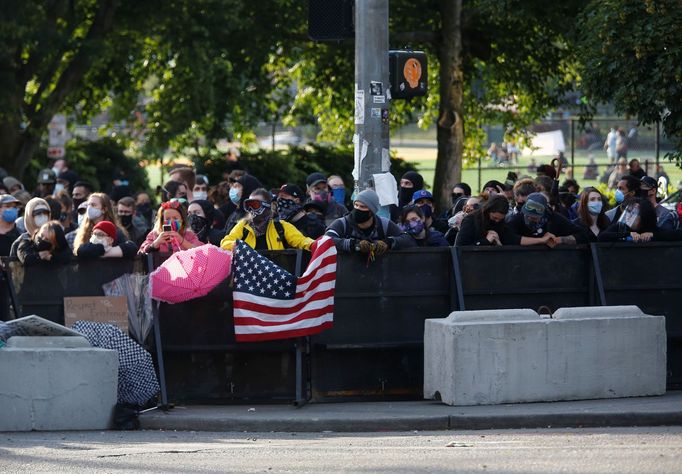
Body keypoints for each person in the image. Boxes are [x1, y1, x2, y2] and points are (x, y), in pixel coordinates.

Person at [220, 188, 313, 251]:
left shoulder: (281, 226)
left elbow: (301, 241)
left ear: (267, 206)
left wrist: (317, 244)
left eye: (255, 205)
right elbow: (225, 243)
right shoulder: (243, 225)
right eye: (248, 205)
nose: (251, 209)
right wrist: (238, 246)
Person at [325, 189, 414, 254]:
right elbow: (326, 240)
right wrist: (353, 245)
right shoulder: (342, 224)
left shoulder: (384, 224)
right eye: (356, 205)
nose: (358, 209)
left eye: (363, 207)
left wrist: (388, 242)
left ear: (372, 211)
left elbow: (407, 239)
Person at [507, 193, 587, 247]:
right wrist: (542, 240)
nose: (531, 218)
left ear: (545, 211)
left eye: (535, 216)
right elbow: (510, 238)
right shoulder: (516, 219)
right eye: (528, 215)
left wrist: (559, 240)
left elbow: (582, 235)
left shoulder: (555, 218)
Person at [73, 193, 137, 259]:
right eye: (88, 205)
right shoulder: (83, 231)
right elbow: (80, 251)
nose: (89, 208)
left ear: (104, 209)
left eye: (93, 205)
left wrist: (108, 252)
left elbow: (130, 248)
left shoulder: (116, 231)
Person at [599, 198, 682, 243]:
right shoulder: (621, 227)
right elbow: (601, 237)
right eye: (628, 212)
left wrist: (653, 235)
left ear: (645, 217)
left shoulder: (651, 230)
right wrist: (628, 234)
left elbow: (677, 234)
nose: (629, 216)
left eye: (634, 213)